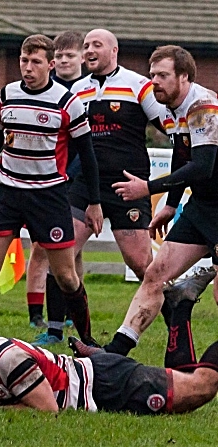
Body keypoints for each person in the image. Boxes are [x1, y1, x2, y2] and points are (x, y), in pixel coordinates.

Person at [73, 45, 218, 358]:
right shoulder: (170, 109)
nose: (155, 82)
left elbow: (203, 166)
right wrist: (169, 204)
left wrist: (149, 189)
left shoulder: (203, 104)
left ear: (185, 76)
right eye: (152, 75)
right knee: (156, 275)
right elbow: (183, 155)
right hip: (204, 207)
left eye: (163, 75)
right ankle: (114, 354)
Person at [0, 34, 103, 346]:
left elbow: (88, 156)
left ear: (50, 65)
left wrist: (94, 202)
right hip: (7, 193)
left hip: (49, 196)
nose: (27, 67)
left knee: (66, 276)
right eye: (24, 61)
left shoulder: (68, 103)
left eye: (35, 62)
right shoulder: (7, 95)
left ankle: (88, 343)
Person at [36, 29, 167, 346]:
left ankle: (177, 318)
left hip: (128, 185)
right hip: (85, 184)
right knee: (60, 251)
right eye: (86, 46)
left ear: (114, 50)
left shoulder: (139, 86)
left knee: (141, 265)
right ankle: (55, 330)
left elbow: (169, 126)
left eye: (96, 45)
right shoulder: (77, 90)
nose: (89, 50)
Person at [0, 298, 218, 414]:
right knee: (188, 384)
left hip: (106, 385)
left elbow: (47, 411)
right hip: (93, 375)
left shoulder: (7, 358)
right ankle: (179, 307)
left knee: (200, 388)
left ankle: (179, 307)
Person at [26, 30, 86, 329]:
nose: (63, 60)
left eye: (69, 55)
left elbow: (84, 144)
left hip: (75, 179)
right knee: (43, 247)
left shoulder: (86, 93)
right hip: (49, 180)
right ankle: (38, 314)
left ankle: (73, 313)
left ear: (83, 59)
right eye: (59, 55)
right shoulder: (44, 89)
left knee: (70, 250)